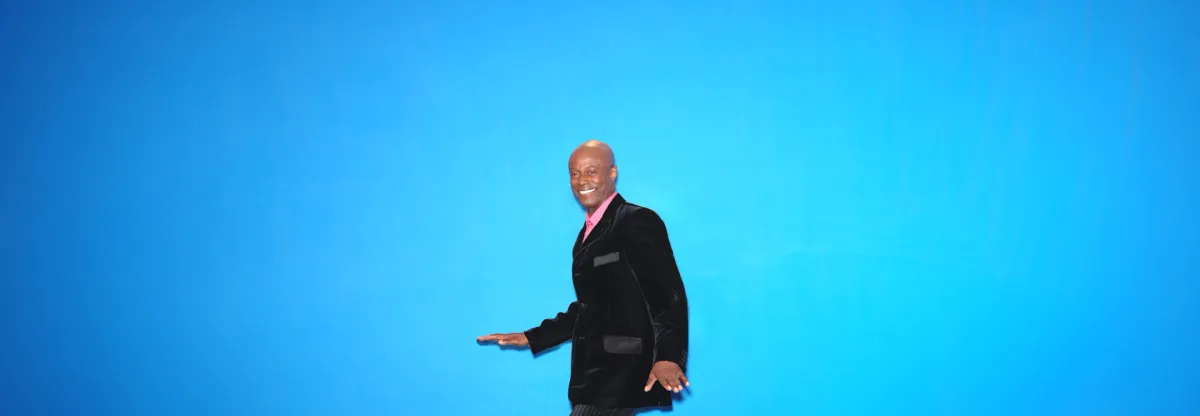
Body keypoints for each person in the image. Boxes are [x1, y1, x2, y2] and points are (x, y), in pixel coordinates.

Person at [477, 140, 690, 415]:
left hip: (621, 372)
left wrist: (668, 357)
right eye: (575, 173)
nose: (581, 181)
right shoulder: (587, 233)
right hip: (595, 375)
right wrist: (533, 337)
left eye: (591, 171)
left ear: (612, 173)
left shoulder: (637, 220)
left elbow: (667, 295)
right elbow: (592, 305)